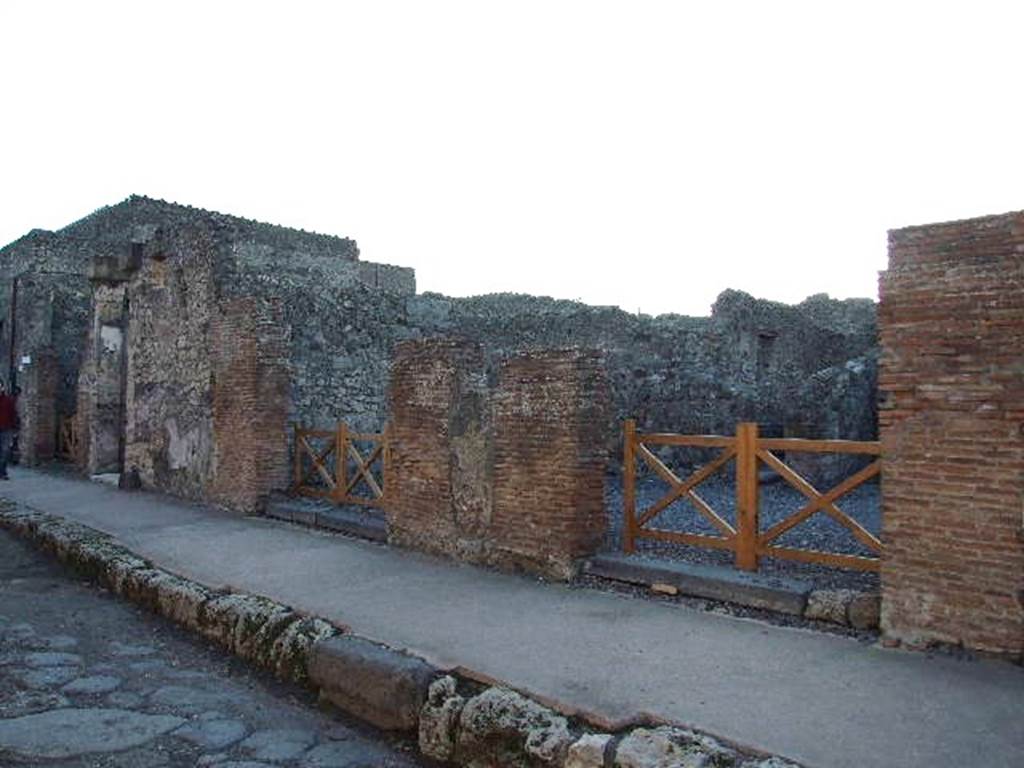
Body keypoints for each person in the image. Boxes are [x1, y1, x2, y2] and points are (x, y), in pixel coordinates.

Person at [0, 383, 18, 480]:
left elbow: (13, 414)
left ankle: (3, 472)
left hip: (6, 428)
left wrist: (14, 428)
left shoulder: (8, 400)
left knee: (5, 451)